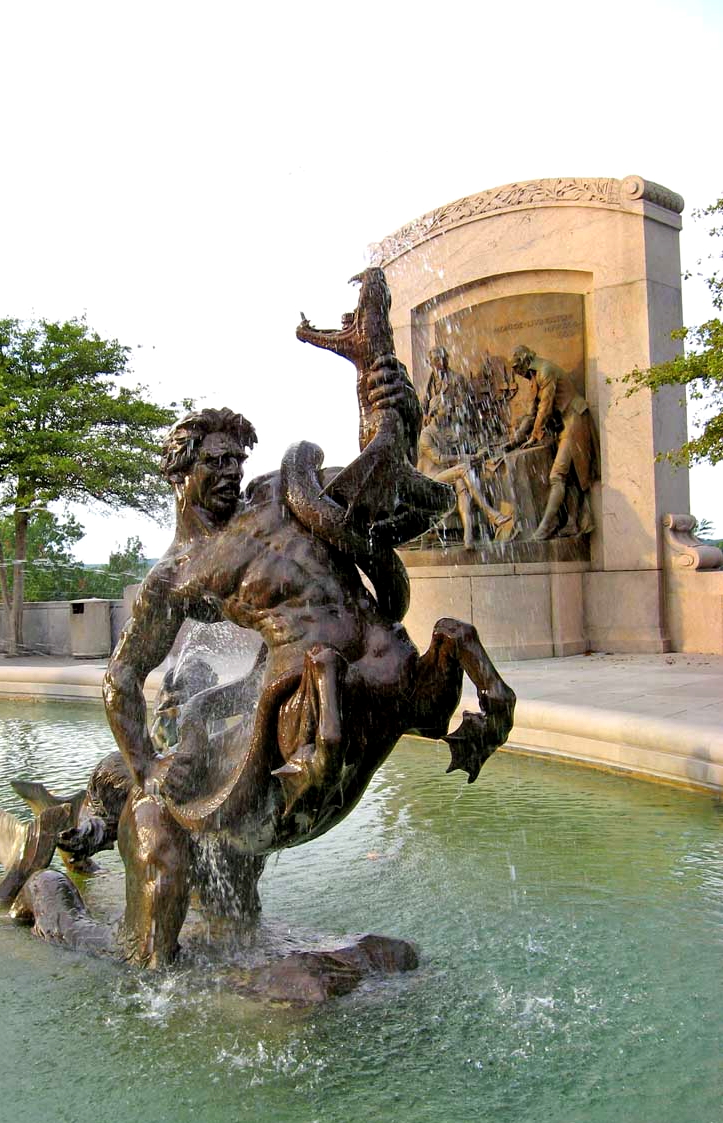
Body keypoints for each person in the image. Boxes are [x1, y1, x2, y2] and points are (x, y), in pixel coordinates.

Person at [100, 384, 514, 967]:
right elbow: (121, 675)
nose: (231, 471)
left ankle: (493, 711)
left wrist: (389, 407)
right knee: (319, 670)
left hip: (387, 656)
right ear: (181, 472)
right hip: (310, 685)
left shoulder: (280, 490)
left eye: (236, 459)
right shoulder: (175, 577)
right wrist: (145, 767)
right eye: (215, 461)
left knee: (454, 635)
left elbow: (379, 483)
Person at [506, 345, 598, 540]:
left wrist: (534, 436)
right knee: (570, 476)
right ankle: (572, 522)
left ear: (524, 361)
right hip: (564, 425)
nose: (517, 373)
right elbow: (532, 413)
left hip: (574, 420)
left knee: (557, 475)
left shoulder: (545, 371)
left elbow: (545, 409)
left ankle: (545, 527)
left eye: (517, 368)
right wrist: (515, 440)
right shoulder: (534, 378)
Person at [418, 398, 514, 549]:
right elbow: (439, 459)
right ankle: (491, 513)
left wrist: (481, 450)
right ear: (435, 412)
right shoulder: (426, 434)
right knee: (463, 468)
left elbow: (470, 444)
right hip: (431, 480)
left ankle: (468, 538)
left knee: (462, 486)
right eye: (445, 407)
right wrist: (467, 457)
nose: (450, 409)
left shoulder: (448, 430)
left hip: (448, 476)